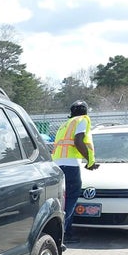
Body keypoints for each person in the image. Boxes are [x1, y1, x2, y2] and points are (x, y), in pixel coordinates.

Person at [52, 100, 96, 245]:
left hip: (57, 164)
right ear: (86, 111)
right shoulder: (82, 120)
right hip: (70, 166)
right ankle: (62, 233)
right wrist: (90, 160)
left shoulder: (65, 124)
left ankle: (67, 232)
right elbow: (78, 140)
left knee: (62, 200)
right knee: (70, 200)